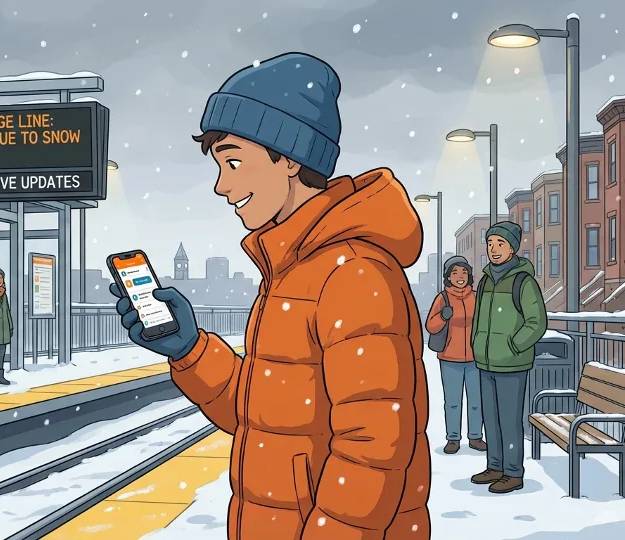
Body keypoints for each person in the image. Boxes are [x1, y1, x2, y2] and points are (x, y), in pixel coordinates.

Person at [110, 52, 430, 538]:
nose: (222, 186)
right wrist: (192, 351)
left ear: (289, 159)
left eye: (234, 162)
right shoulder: (292, 271)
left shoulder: (354, 275)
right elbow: (265, 414)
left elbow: (372, 452)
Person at [469, 221, 547, 494]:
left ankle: (513, 473)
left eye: (500, 244)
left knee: (510, 420)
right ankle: (495, 466)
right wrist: (477, 345)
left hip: (512, 363)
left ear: (513, 248)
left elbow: (537, 322)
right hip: (486, 361)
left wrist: (514, 346)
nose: (494, 249)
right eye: (490, 244)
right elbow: (479, 318)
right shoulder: (486, 279)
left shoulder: (523, 281)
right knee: (491, 418)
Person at [425, 256, 485, 454]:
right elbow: (430, 326)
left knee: (476, 401)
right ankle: (453, 438)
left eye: (464, 272)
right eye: (455, 273)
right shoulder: (443, 298)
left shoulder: (477, 297)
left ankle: (476, 436)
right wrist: (443, 316)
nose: (460, 277)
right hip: (450, 358)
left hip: (476, 359)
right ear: (448, 277)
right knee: (452, 402)